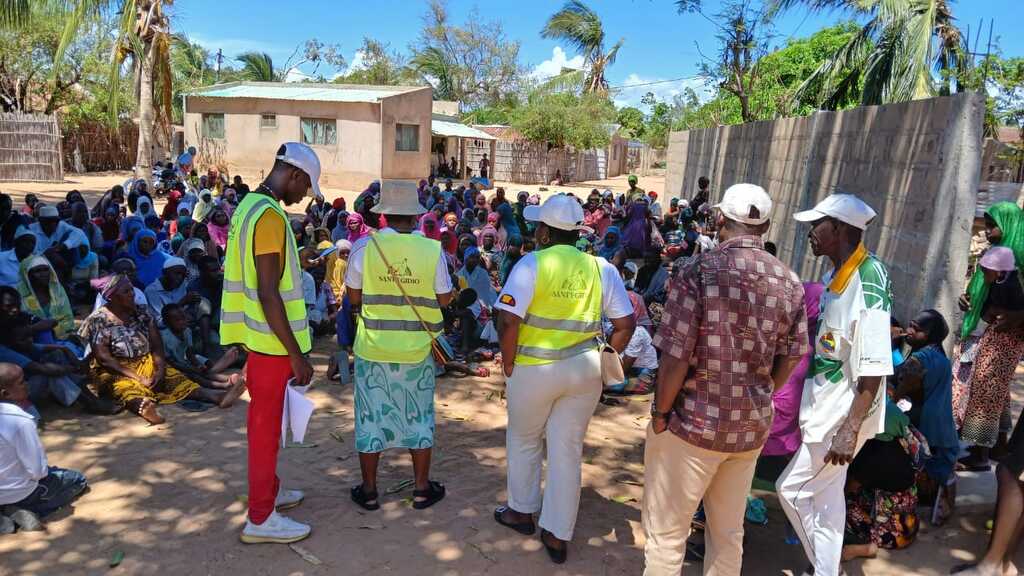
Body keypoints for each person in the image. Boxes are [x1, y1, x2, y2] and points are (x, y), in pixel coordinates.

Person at [643, 184, 808, 576]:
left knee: (667, 533)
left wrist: (661, 412)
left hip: (693, 425)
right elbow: (795, 352)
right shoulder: (790, 281)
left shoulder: (698, 271)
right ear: (765, 225)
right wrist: (763, 389)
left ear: (719, 220)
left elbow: (674, 357)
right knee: (728, 532)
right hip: (748, 429)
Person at [493, 194, 634, 564]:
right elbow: (625, 324)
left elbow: (508, 319)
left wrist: (508, 363)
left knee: (524, 440)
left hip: (534, 370)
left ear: (543, 231)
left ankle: (521, 512)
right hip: (584, 371)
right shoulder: (602, 268)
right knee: (566, 450)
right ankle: (557, 534)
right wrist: (609, 357)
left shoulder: (531, 264)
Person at [778, 192, 894, 576]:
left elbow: (875, 362)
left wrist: (850, 427)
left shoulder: (869, 278)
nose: (811, 233)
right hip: (824, 406)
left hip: (840, 416)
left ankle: (825, 570)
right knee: (827, 502)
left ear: (841, 229)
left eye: (818, 225)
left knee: (790, 491)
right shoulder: (835, 276)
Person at [219, 142, 318, 544]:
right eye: (305, 187)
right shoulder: (272, 217)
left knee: (266, 426)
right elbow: (268, 291)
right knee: (264, 431)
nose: (303, 196)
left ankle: (269, 492)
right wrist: (297, 355)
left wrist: (300, 260)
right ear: (293, 175)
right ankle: (261, 518)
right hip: (274, 345)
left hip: (256, 338)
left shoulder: (248, 206)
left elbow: (267, 275)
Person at [344, 179, 453, 512]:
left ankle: (370, 490)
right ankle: (421, 489)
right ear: (415, 217)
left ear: (383, 217)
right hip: (416, 350)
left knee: (369, 419)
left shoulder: (364, 248)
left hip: (373, 348)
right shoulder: (432, 249)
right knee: (419, 417)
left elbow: (353, 296)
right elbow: (445, 298)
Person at [80, 275, 236, 424]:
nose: (132, 294)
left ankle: (217, 396)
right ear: (111, 297)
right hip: (115, 369)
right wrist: (138, 377)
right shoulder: (98, 320)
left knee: (177, 379)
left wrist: (159, 369)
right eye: (126, 291)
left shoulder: (141, 312)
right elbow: (104, 359)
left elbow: (157, 344)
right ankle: (145, 409)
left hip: (145, 362)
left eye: (131, 290)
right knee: (125, 389)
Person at [957, 204, 1024, 470]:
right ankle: (998, 445)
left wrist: (1013, 316)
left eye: (992, 225)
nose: (988, 232)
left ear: (1008, 224)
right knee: (995, 390)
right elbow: (981, 288)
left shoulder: (1017, 263)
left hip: (1005, 337)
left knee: (986, 389)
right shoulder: (995, 257)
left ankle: (980, 451)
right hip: (991, 332)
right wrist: (969, 299)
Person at [0, 363, 88, 521]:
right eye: (21, 382)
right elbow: (38, 472)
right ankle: (23, 509)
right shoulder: (20, 421)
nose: (27, 384)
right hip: (18, 492)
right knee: (77, 479)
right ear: (6, 394)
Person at [896, 308, 958, 525]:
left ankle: (934, 502)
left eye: (917, 329)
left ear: (930, 336)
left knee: (924, 464)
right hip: (942, 424)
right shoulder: (940, 356)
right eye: (911, 325)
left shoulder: (918, 360)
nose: (910, 331)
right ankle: (943, 501)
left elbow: (899, 393)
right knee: (942, 467)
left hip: (925, 424)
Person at [17, 256, 77, 342]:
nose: (43, 274)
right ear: (27, 275)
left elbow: (68, 319)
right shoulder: (19, 294)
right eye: (37, 271)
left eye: (46, 269)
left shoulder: (57, 290)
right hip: (30, 340)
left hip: (61, 337)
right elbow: (18, 325)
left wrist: (52, 329)